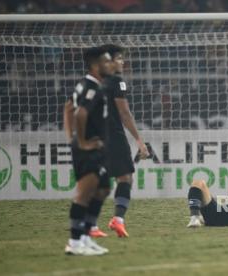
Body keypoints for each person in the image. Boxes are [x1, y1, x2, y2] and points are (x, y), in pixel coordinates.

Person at [64, 46, 112, 255]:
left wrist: (71, 138)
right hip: (88, 147)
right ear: (96, 65)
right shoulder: (92, 87)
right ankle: (75, 243)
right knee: (84, 195)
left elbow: (68, 108)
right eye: (107, 61)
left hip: (93, 146)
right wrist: (81, 142)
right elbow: (80, 113)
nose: (110, 64)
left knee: (103, 189)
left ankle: (85, 237)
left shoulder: (88, 85)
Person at [101, 44, 149, 238]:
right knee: (125, 177)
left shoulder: (93, 81)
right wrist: (139, 140)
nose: (123, 62)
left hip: (94, 136)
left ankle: (87, 224)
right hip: (113, 136)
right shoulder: (117, 82)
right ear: (109, 61)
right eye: (119, 58)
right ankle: (118, 220)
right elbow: (124, 113)